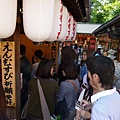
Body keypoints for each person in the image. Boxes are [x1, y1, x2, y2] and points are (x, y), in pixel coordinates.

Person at [20, 44, 31, 114]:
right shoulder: (27, 61)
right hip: (26, 85)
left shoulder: (20, 62)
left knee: (21, 104)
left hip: (22, 86)